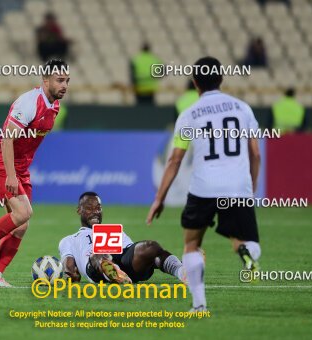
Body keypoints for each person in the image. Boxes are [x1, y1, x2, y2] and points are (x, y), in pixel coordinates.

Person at [147, 57, 262, 311]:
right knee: (244, 241)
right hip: (237, 186)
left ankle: (199, 304)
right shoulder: (242, 109)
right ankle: (246, 255)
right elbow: (255, 154)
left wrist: (159, 198)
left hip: (204, 187)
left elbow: (174, 161)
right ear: (221, 78)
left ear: (195, 83)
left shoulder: (189, 115)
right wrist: (250, 187)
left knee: (191, 244)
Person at [0, 59, 70, 287]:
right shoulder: (29, 103)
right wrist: (12, 176)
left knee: (21, 225)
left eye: (67, 81)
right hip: (1, 164)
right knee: (23, 213)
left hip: (20, 167)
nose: (64, 85)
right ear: (45, 81)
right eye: (59, 80)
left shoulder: (55, 105)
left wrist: (19, 171)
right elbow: (7, 139)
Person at [59, 192, 185, 284]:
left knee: (151, 247)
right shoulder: (69, 240)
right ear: (79, 210)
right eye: (89, 208)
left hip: (124, 264)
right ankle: (111, 270)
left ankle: (182, 271)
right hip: (94, 267)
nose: (95, 212)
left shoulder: (114, 233)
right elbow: (69, 268)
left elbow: (131, 252)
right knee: (97, 255)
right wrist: (71, 274)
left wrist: (150, 258)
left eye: (98, 208)